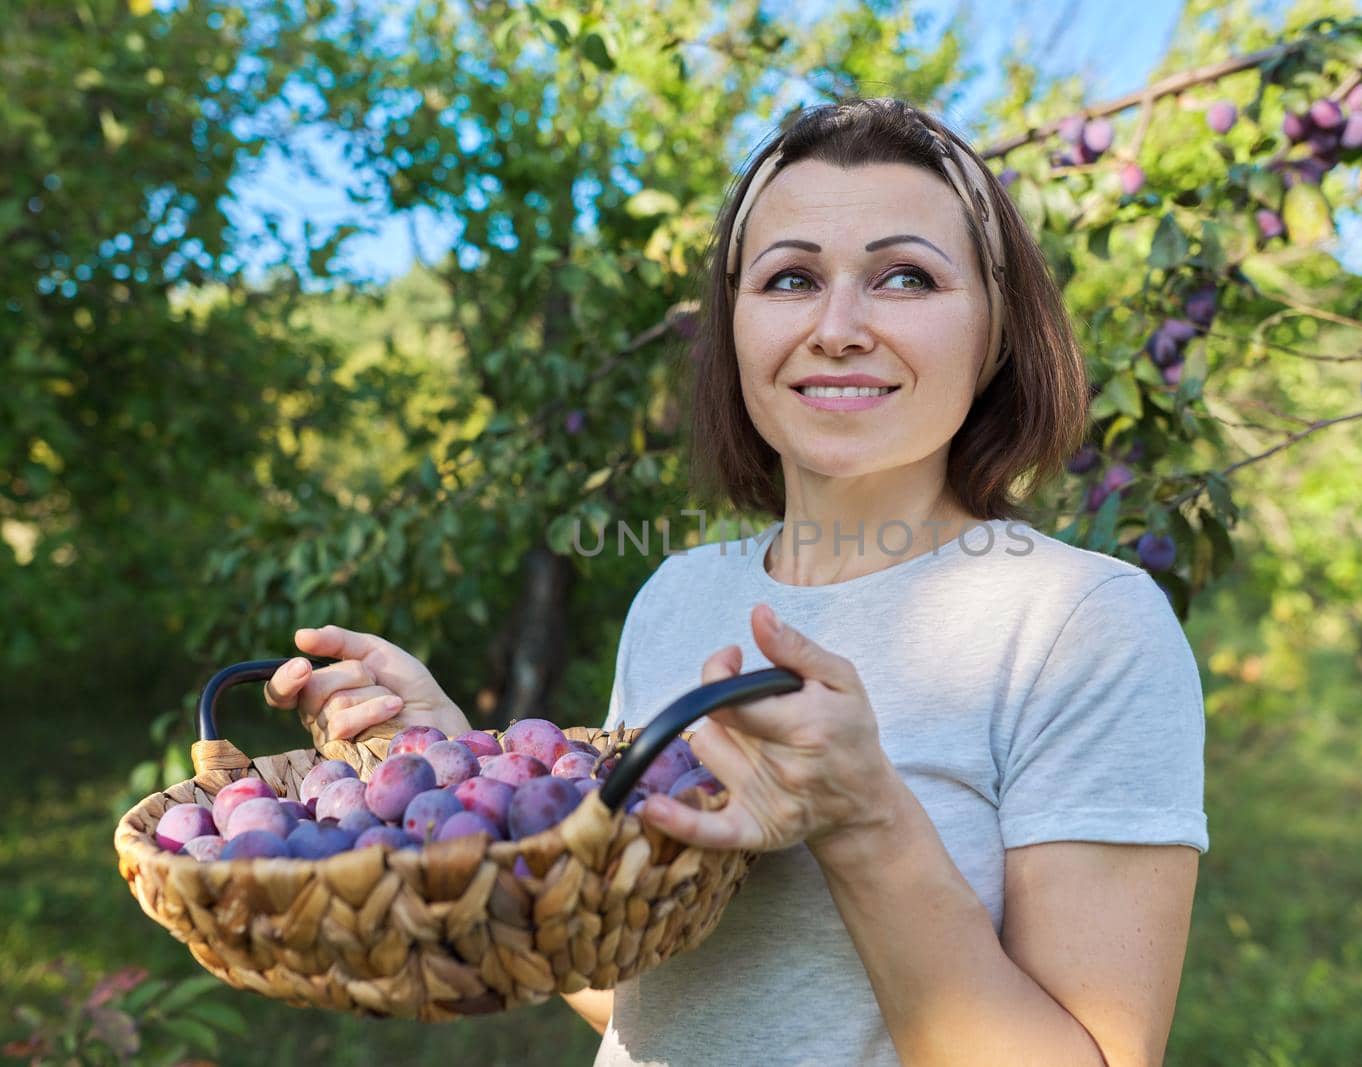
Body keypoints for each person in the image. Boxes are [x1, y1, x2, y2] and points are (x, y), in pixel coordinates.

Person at [262, 97, 1208, 1066]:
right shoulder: (677, 594)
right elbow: (646, 995)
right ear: (737, 325)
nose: (838, 327)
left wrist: (864, 820)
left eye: (906, 277)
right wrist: (462, 767)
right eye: (791, 276)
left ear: (997, 331)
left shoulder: (1079, 624)